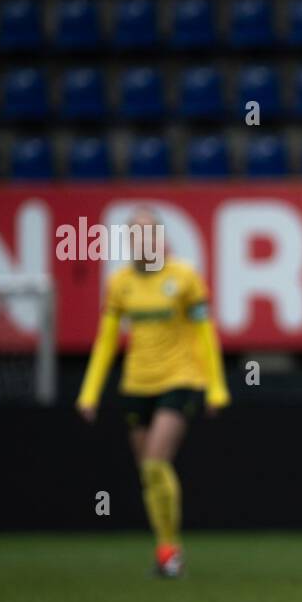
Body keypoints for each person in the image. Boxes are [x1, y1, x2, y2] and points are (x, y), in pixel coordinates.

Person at [76, 208, 230, 578]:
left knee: (155, 462)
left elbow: (205, 334)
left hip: (180, 379)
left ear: (162, 239)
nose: (143, 242)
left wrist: (216, 386)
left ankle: (169, 555)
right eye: (136, 235)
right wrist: (89, 392)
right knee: (148, 473)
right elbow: (107, 340)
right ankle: (167, 548)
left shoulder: (185, 278)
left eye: (149, 234)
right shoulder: (120, 284)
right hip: (136, 384)